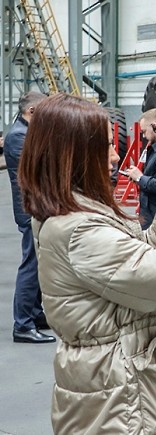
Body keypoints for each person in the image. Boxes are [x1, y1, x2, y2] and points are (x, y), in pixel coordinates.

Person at [18, 93, 156, 433]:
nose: (114, 157)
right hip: (120, 402)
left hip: (120, 386)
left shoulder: (78, 212)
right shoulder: (79, 230)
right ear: (76, 155)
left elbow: (139, 253)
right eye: (106, 147)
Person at [5, 91, 55, 344]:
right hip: (30, 210)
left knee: (37, 265)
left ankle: (34, 315)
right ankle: (22, 325)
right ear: (33, 112)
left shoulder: (25, 133)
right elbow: (39, 169)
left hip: (36, 207)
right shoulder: (18, 137)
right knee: (31, 266)